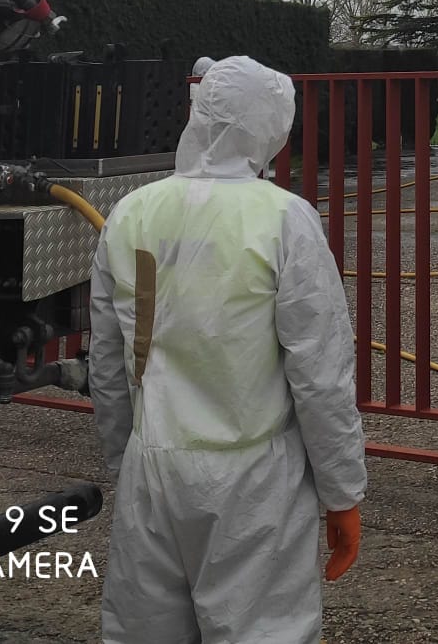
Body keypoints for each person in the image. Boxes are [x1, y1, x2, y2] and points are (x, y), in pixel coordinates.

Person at [91, 55, 366, 644]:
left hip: (153, 464)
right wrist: (342, 491)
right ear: (269, 126)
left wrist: (125, 459)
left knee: (145, 632)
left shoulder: (132, 211)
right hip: (250, 477)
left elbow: (109, 361)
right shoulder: (283, 218)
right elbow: (320, 373)